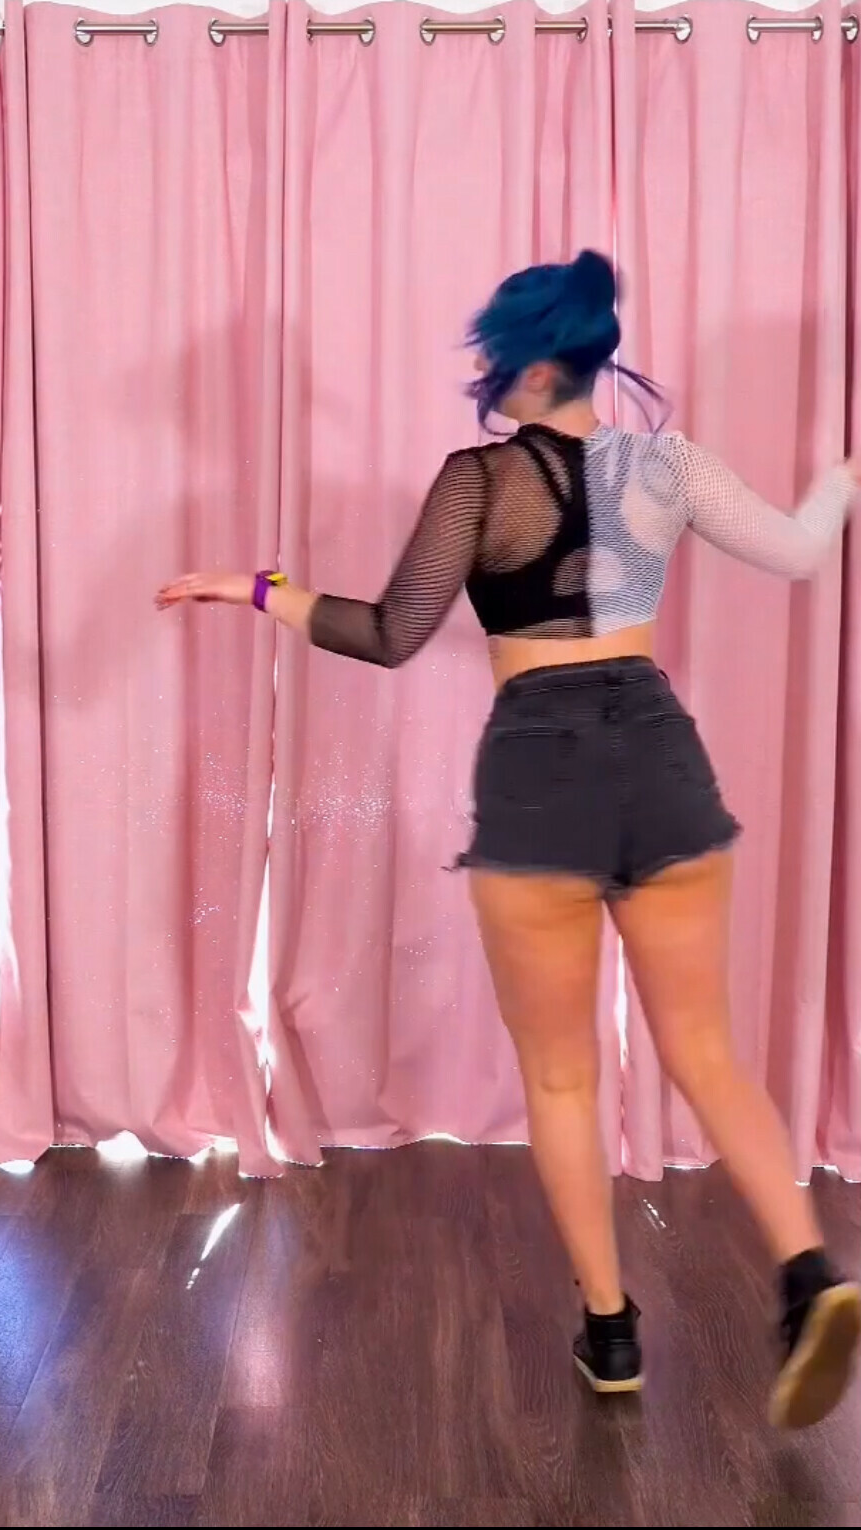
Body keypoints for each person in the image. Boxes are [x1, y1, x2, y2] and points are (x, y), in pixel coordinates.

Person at [156, 250, 861, 1429]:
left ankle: (611, 1332)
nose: (486, 375)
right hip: (662, 760)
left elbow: (390, 633)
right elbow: (798, 549)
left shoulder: (479, 481)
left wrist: (258, 588)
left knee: (562, 1075)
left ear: (536, 368)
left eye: (496, 357)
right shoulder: (669, 464)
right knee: (707, 1051)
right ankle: (809, 1274)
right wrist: (841, 478)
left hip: (541, 774)